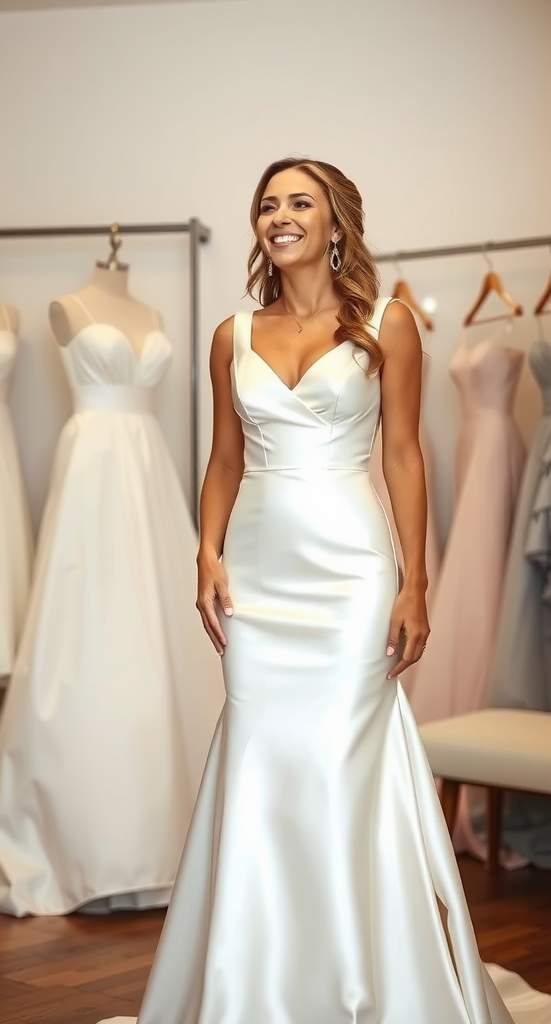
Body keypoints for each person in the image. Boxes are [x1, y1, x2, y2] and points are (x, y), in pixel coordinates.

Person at [100, 158, 551, 1024]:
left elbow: (406, 457)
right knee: (264, 760)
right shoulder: (233, 334)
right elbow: (225, 459)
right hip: (261, 575)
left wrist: (417, 581)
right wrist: (207, 553)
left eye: (298, 202)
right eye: (267, 204)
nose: (279, 216)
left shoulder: (390, 325)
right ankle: (256, 980)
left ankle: (359, 976)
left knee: (345, 761)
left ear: (336, 221)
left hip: (352, 571)